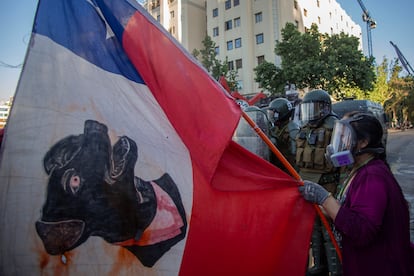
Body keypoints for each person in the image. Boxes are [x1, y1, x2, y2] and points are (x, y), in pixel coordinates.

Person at [299, 112, 414, 276]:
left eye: (344, 137)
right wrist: (321, 205)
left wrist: (324, 198)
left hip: (379, 266)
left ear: (363, 142)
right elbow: (349, 211)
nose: (338, 143)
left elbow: (361, 230)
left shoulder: (372, 176)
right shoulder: (360, 169)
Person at [295, 89, 341, 275]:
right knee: (312, 230)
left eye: (314, 108)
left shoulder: (335, 126)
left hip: (328, 186)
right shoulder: (303, 129)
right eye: (308, 109)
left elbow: (345, 163)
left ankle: (335, 269)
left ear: (324, 109)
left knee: (328, 231)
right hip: (307, 185)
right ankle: (319, 267)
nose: (310, 113)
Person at [264, 97, 299, 172]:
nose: (271, 116)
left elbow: (294, 154)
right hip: (278, 166)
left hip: (287, 169)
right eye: (270, 113)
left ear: (282, 113)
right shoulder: (275, 128)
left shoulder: (292, 129)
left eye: (274, 114)